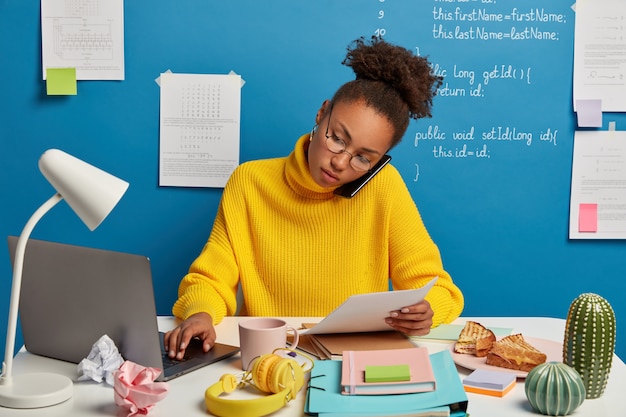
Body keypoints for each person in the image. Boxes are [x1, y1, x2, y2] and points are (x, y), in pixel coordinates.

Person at [164, 36, 464, 360]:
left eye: (364, 158)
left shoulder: (384, 187)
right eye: (337, 138)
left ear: (380, 161)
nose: (340, 162)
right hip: (270, 353)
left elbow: (437, 287)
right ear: (322, 113)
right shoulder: (249, 182)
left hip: (353, 357)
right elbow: (213, 275)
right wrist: (200, 313)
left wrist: (426, 309)